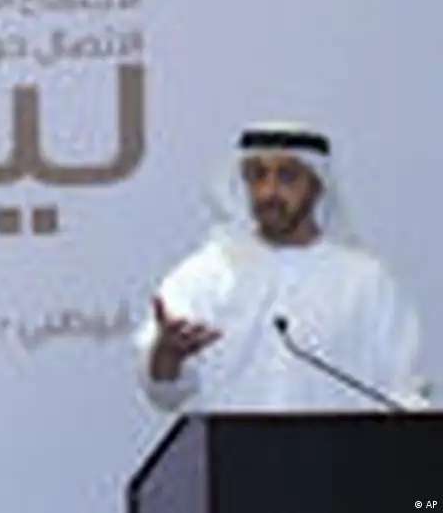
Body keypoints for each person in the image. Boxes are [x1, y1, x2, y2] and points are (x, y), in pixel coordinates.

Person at [133, 122, 430, 413]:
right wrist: (167, 354)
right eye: (257, 175)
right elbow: (164, 393)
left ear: (317, 185)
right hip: (236, 447)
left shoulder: (366, 282)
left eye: (286, 176)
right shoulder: (206, 275)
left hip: (340, 447)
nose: (268, 192)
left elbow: (403, 391)